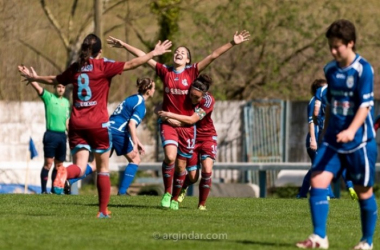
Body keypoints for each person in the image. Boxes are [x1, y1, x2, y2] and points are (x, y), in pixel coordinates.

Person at [18, 33, 172, 218]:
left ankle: (64, 171)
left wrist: (36, 78)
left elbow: (56, 79)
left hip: (76, 123)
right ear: (100, 51)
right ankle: (103, 210)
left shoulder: (76, 68)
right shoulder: (103, 66)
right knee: (103, 168)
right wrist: (153, 53)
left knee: (81, 167)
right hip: (98, 124)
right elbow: (133, 64)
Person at [107, 30, 250, 209]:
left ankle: (175, 196)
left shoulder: (192, 72)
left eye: (183, 52)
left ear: (188, 60)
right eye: (177, 51)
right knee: (169, 157)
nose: (178, 53)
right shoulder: (165, 71)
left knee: (183, 168)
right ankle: (167, 194)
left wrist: (232, 42)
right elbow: (144, 57)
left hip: (187, 127)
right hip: (168, 124)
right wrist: (124, 45)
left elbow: (213, 55)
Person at [296, 19, 377, 250]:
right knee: (318, 179)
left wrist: (351, 130)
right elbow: (331, 104)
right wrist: (325, 136)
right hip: (333, 140)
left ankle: (367, 242)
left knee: (363, 192)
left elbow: (365, 106)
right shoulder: (330, 70)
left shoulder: (363, 69)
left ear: (350, 43)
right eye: (330, 46)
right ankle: (319, 236)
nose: (333, 51)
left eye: (337, 46)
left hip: (359, 142)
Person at [158, 74, 216, 210]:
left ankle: (201, 205)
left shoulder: (208, 101)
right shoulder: (184, 96)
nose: (193, 99)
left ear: (204, 94)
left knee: (207, 169)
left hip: (207, 136)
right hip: (190, 136)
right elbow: (162, 106)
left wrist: (169, 115)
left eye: (197, 97)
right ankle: (182, 188)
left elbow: (191, 119)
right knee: (193, 177)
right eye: (192, 96)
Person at [297, 79, 357, 200]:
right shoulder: (314, 101)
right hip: (315, 140)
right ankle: (328, 194)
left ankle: (302, 194)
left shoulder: (329, 103)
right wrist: (313, 139)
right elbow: (311, 122)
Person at [18, 72, 70, 194]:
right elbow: (38, 87)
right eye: (58, 86)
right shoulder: (49, 98)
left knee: (59, 165)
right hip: (51, 135)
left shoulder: (67, 103)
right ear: (55, 87)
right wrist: (29, 76)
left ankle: (54, 189)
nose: (61, 89)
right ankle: (43, 190)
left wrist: (71, 135)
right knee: (48, 164)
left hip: (62, 136)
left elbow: (67, 121)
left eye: (63, 87)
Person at [108, 78, 155, 195]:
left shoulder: (132, 98)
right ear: (148, 91)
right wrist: (134, 144)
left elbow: (123, 119)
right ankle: (122, 192)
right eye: (153, 88)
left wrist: (137, 142)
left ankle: (67, 179)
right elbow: (131, 124)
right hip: (118, 132)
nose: (154, 90)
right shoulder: (141, 106)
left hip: (107, 128)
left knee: (96, 164)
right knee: (135, 159)